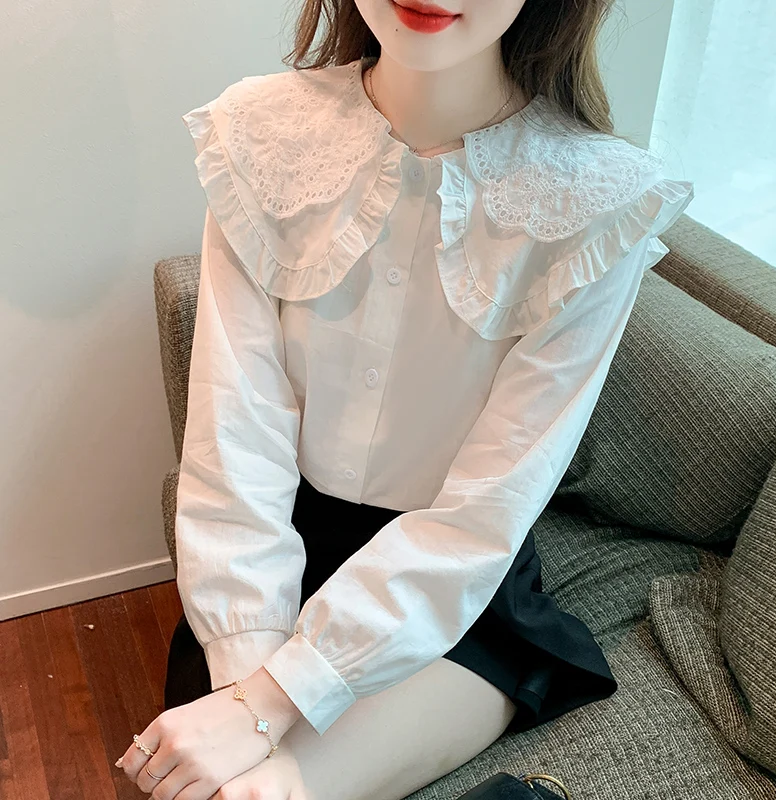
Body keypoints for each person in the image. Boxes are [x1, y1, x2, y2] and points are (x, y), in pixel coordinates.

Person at [116, 0, 694, 798]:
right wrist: (247, 672)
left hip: (456, 598)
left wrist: (265, 705)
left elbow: (483, 517)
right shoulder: (259, 136)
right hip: (267, 568)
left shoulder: (596, 202)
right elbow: (234, 440)